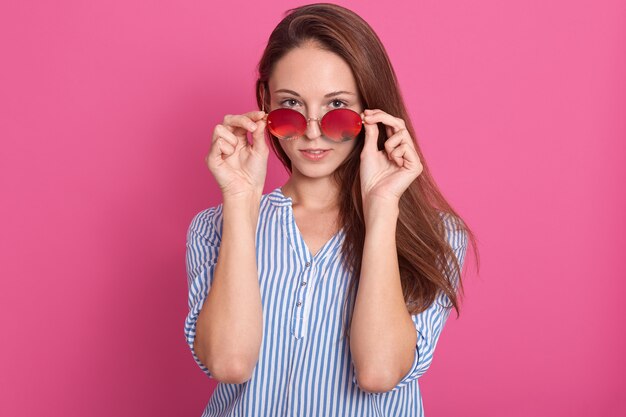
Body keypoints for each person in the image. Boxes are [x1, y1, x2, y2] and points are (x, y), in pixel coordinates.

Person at [184, 3, 478, 416]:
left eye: (337, 106)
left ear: (369, 110)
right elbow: (229, 364)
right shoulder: (214, 228)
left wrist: (381, 210)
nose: (312, 130)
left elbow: (378, 371)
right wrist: (239, 201)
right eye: (291, 106)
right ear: (265, 104)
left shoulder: (436, 235)